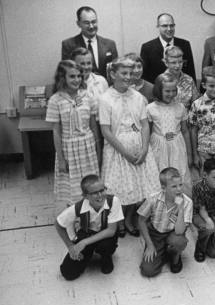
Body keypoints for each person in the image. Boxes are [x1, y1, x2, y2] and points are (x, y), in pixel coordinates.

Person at [99, 57, 160, 238]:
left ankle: (130, 219)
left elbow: (145, 125)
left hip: (139, 148)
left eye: (130, 73)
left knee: (139, 187)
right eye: (123, 73)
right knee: (119, 189)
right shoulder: (105, 99)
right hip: (118, 150)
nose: (128, 77)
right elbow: (106, 131)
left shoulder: (138, 97)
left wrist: (144, 149)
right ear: (112, 74)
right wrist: (124, 152)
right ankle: (118, 221)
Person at [46, 60, 100, 205]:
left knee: (91, 183)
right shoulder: (55, 100)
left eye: (79, 76)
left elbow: (94, 126)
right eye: (72, 76)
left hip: (87, 147)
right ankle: (76, 217)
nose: (76, 80)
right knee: (73, 188)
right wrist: (62, 160)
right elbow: (56, 132)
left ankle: (92, 217)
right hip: (68, 149)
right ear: (62, 78)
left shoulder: (87, 96)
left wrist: (98, 150)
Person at [55, 174, 124, 281]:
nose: (100, 195)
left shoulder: (113, 201)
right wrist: (70, 247)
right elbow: (58, 224)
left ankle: (106, 257)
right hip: (86, 234)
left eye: (102, 190)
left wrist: (84, 243)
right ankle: (88, 254)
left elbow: (111, 231)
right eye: (95, 193)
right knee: (68, 273)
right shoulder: (78, 207)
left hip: (105, 237)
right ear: (86, 196)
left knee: (106, 246)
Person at [138, 168, 193, 276]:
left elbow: (179, 231)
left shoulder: (187, 202)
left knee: (179, 242)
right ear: (163, 188)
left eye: (180, 185)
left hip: (173, 233)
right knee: (148, 271)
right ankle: (163, 253)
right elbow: (141, 221)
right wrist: (150, 245)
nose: (179, 190)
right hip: (155, 234)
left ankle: (175, 258)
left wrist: (180, 209)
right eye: (174, 186)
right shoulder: (153, 198)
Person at [148, 73, 192, 196]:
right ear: (159, 90)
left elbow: (185, 130)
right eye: (167, 91)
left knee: (179, 173)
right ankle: (160, 207)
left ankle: (180, 207)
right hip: (158, 147)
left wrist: (189, 153)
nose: (171, 94)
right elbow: (148, 131)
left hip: (177, 146)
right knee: (159, 174)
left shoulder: (180, 107)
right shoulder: (151, 108)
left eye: (174, 90)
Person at [192, 159, 215, 262]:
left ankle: (211, 238)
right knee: (208, 228)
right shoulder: (197, 187)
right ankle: (200, 248)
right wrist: (208, 221)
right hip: (200, 214)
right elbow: (201, 208)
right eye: (214, 177)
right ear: (205, 175)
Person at [62, 6, 118, 77]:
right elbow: (66, 73)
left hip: (105, 86)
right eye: (87, 23)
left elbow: (115, 71)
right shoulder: (68, 45)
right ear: (78, 24)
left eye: (94, 22)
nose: (91, 26)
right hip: (81, 87)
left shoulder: (110, 44)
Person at [140, 13, 196, 83]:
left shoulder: (185, 44)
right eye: (165, 26)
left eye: (171, 25)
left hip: (181, 90)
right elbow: (144, 76)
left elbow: (191, 71)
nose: (169, 29)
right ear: (158, 27)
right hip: (156, 91)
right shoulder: (147, 48)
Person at [162, 46, 200, 111]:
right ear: (166, 63)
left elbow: (195, 103)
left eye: (180, 62)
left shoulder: (189, 80)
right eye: (173, 63)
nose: (177, 66)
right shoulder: (161, 80)